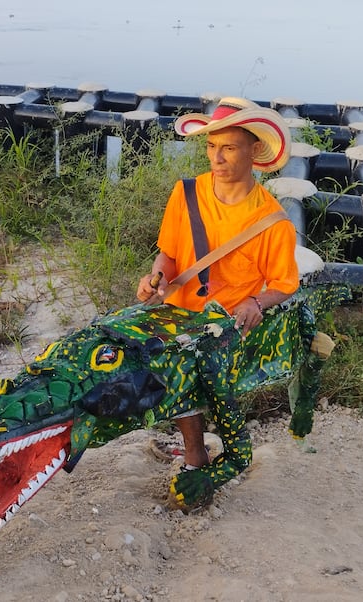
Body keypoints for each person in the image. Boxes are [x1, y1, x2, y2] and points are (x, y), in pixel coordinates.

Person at [136, 96, 300, 472]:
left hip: (225, 324)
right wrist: (155, 277)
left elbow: (284, 282)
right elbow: (169, 254)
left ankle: (198, 456)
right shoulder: (186, 193)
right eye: (211, 147)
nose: (217, 159)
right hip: (177, 310)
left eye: (229, 148)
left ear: (254, 150)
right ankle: (195, 448)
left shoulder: (273, 222)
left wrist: (257, 303)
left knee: (190, 376)